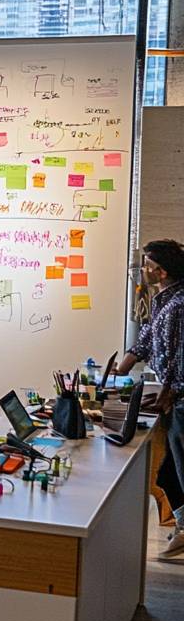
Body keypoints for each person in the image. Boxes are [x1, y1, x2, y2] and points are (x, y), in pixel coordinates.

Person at [116, 238, 184, 561]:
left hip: (180, 399)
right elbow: (146, 338)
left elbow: (177, 357)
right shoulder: (162, 299)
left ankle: (183, 529)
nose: (142, 270)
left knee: (176, 468)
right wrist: (124, 363)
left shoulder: (180, 304)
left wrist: (167, 394)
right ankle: (182, 526)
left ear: (161, 270)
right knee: (168, 470)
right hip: (173, 395)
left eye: (146, 265)